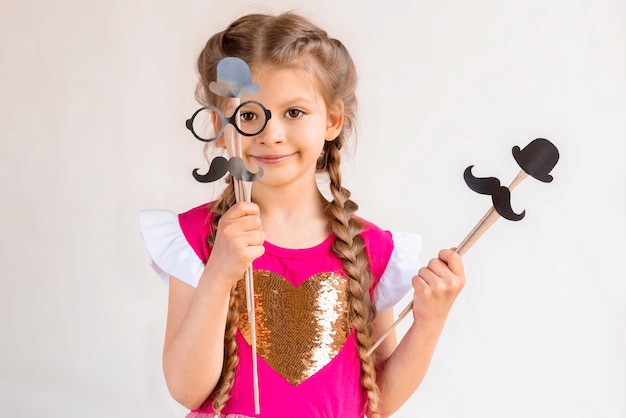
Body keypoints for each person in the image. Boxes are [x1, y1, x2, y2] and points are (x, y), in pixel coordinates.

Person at [139, 12, 465, 418]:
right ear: (219, 127)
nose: (270, 133)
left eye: (294, 112)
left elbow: (378, 404)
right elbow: (187, 390)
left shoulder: (370, 251)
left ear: (331, 120)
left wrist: (429, 323)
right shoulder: (198, 238)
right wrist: (220, 271)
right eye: (248, 115)